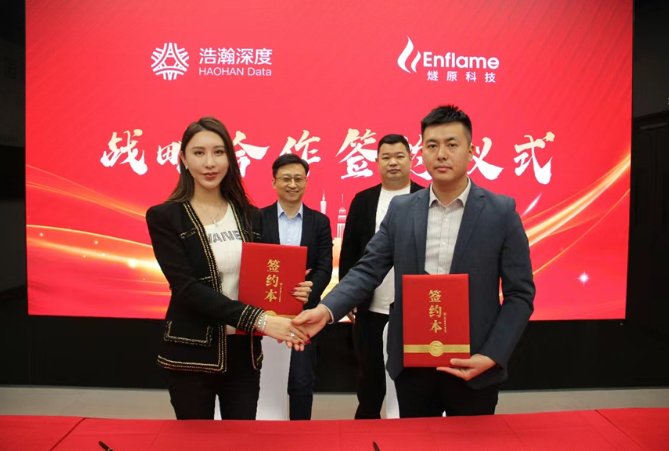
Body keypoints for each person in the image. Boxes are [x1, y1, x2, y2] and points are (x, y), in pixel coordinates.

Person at [293, 105, 535, 417]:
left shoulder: (500, 212)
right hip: (413, 362)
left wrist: (493, 354)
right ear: (422, 152)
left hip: (474, 362)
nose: (441, 154)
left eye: (452, 144)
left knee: (471, 440)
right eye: (432, 145)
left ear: (471, 151)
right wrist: (327, 310)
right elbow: (367, 269)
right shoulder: (402, 210)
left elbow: (520, 294)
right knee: (415, 439)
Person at [146, 117, 310, 420]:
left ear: (230, 158)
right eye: (199, 153)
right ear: (183, 159)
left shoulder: (250, 215)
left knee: (241, 438)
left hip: (243, 353)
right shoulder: (165, 217)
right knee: (195, 440)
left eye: (218, 152)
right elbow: (187, 289)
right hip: (191, 351)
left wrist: (291, 295)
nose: (210, 163)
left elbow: (263, 277)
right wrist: (260, 319)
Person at [339, 134, 423, 419]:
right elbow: (350, 251)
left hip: (414, 307)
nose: (393, 163)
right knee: (370, 378)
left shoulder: (426, 196)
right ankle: (367, 429)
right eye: (386, 157)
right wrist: (348, 295)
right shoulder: (363, 201)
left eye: (399, 156)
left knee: (414, 380)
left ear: (411, 159)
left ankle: (414, 429)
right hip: (371, 306)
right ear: (377, 162)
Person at [261, 154, 333, 420]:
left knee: (302, 380)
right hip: (265, 313)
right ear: (274, 182)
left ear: (306, 182)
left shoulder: (320, 221)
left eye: (298, 179)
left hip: (305, 313)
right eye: (286, 179)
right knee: (263, 377)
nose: (292, 184)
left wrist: (311, 288)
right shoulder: (257, 218)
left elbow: (325, 266)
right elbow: (252, 260)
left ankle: (300, 432)